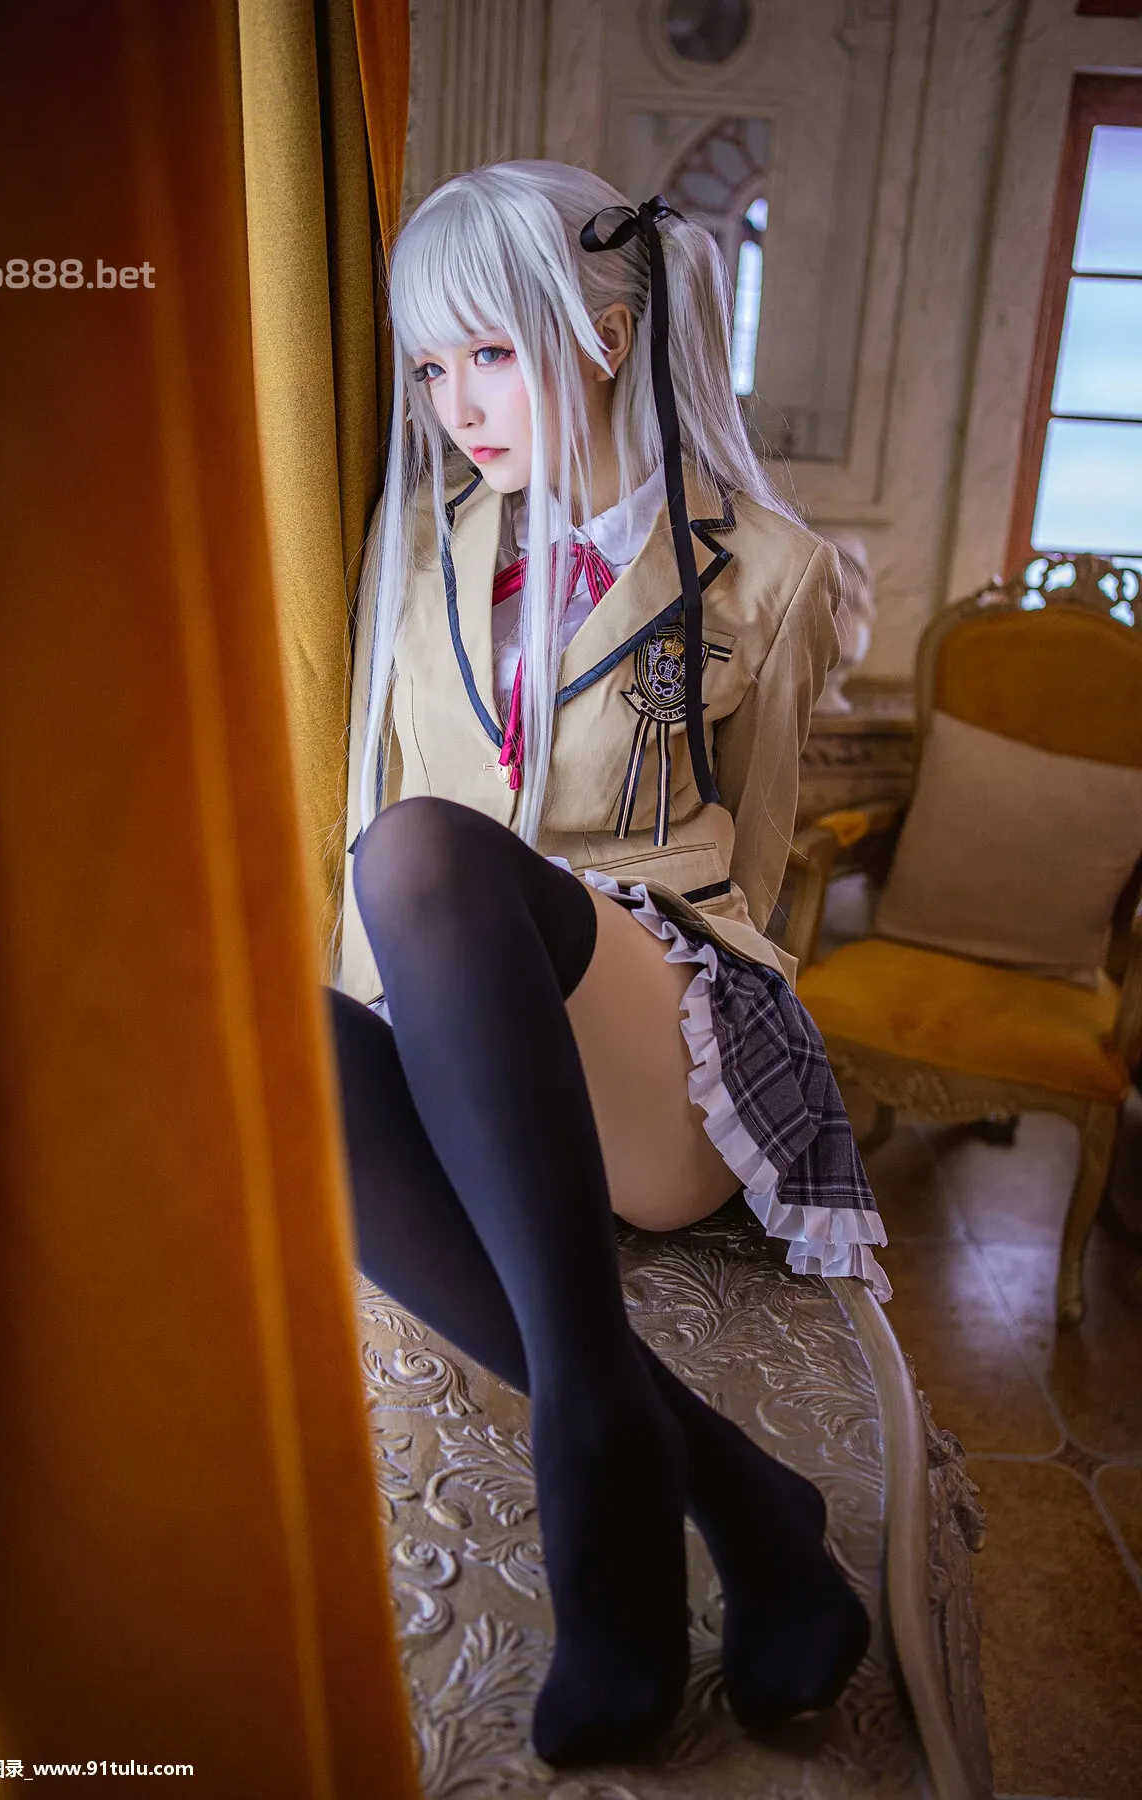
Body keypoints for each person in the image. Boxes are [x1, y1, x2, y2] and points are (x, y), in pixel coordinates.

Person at [326, 160, 890, 1770]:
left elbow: (756, 870)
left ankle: (591, 1457)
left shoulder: (763, 572)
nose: (454, 404)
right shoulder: (420, 552)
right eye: (430, 366)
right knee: (289, 1031)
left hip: (659, 1062)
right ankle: (734, 1491)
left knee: (420, 849)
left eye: (490, 354)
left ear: (606, 335)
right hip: (475, 1050)